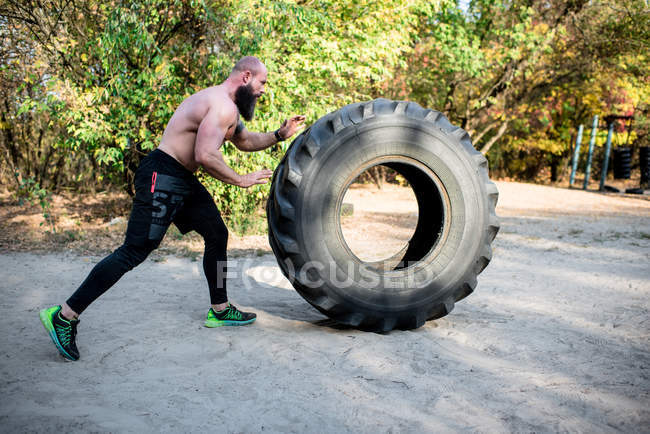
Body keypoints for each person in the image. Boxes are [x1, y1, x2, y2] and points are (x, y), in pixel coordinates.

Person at [39, 56, 306, 361]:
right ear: (246, 76)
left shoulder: (224, 106)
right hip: (162, 174)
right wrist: (240, 179)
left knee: (217, 233)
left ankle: (219, 310)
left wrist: (279, 135)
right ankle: (65, 315)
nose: (262, 91)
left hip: (180, 177)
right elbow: (205, 154)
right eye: (262, 83)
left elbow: (243, 140)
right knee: (134, 251)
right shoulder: (220, 105)